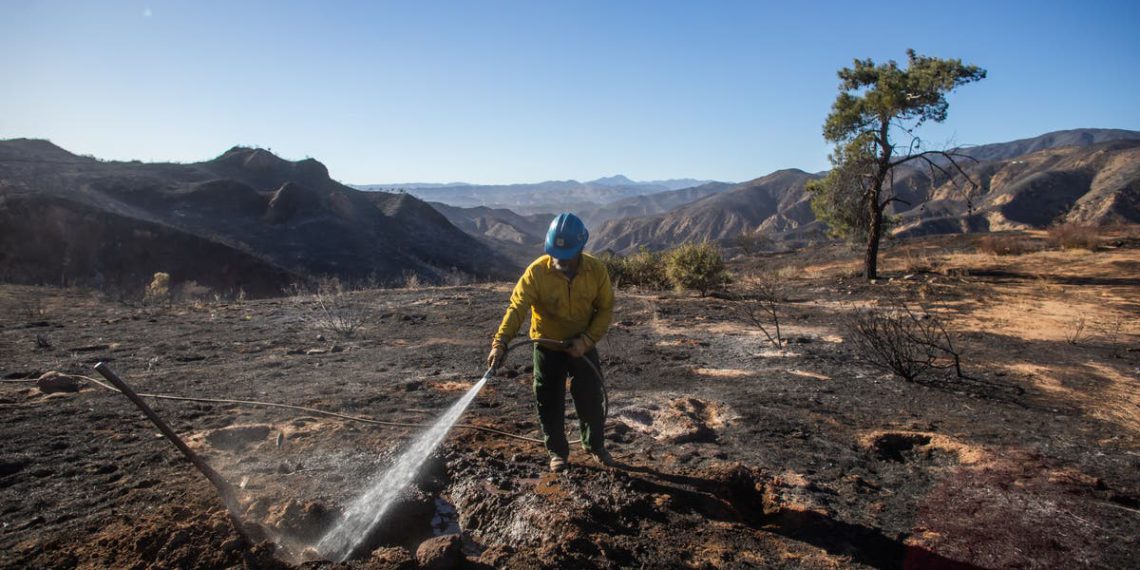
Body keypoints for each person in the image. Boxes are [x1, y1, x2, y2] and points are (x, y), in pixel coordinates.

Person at [487, 213, 614, 472]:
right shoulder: (536, 273)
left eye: (566, 256)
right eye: (556, 254)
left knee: (590, 397)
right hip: (546, 347)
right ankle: (557, 452)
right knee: (548, 400)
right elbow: (517, 308)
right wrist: (500, 342)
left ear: (580, 250)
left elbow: (605, 309)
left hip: (582, 347)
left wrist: (586, 341)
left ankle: (595, 446)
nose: (560, 261)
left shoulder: (596, 271)